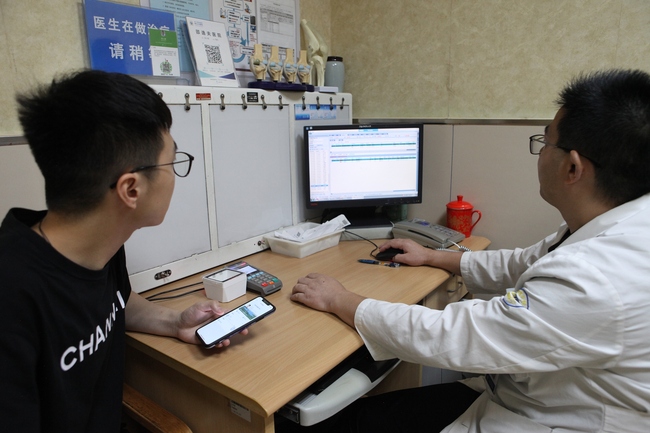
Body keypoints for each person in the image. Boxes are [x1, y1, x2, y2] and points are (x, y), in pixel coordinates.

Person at [287, 69, 650, 432]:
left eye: (545, 142)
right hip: (538, 393)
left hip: (551, 417)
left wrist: (340, 299)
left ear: (572, 167)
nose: (539, 154)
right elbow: (525, 262)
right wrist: (433, 256)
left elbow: (453, 335)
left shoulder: (599, 277)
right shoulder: (619, 224)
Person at [0, 70, 247, 432]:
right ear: (131, 189)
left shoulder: (99, 242)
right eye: (173, 162)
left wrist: (174, 322)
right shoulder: (12, 295)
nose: (176, 176)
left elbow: (116, 302)